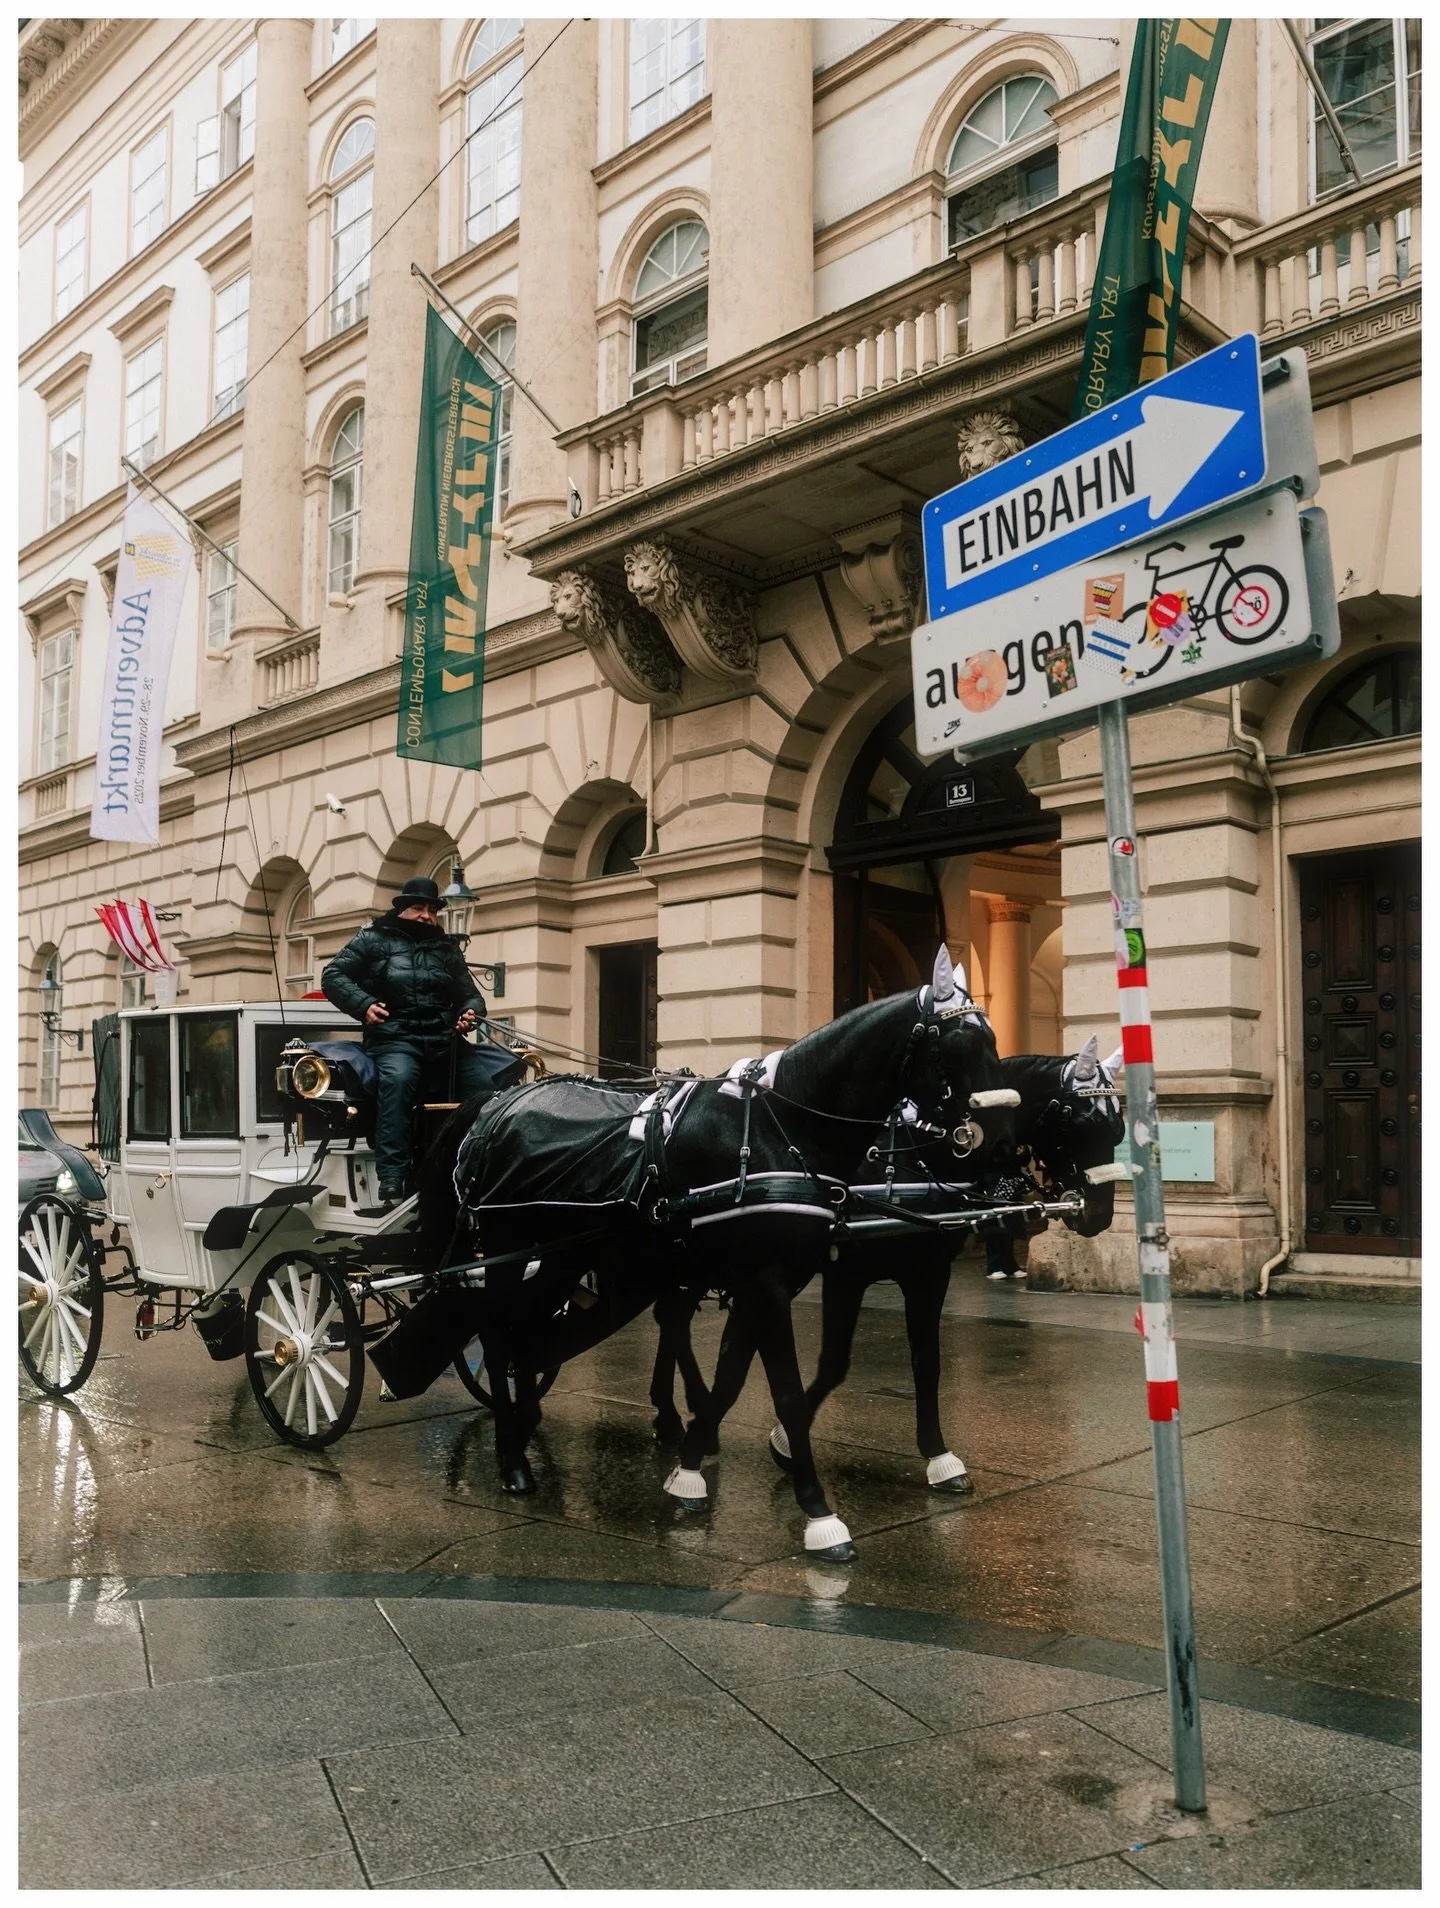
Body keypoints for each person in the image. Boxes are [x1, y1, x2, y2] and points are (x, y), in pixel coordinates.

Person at [321, 876, 520, 1205]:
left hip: (445, 1042)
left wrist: (469, 1012)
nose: (426, 915)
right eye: (418, 908)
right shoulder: (372, 939)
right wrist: (364, 1005)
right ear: (402, 910)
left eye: (431, 910)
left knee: (486, 1095)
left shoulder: (446, 948)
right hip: (395, 1039)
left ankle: (486, 1167)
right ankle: (392, 1178)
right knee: (398, 1082)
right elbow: (333, 976)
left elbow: (470, 996)